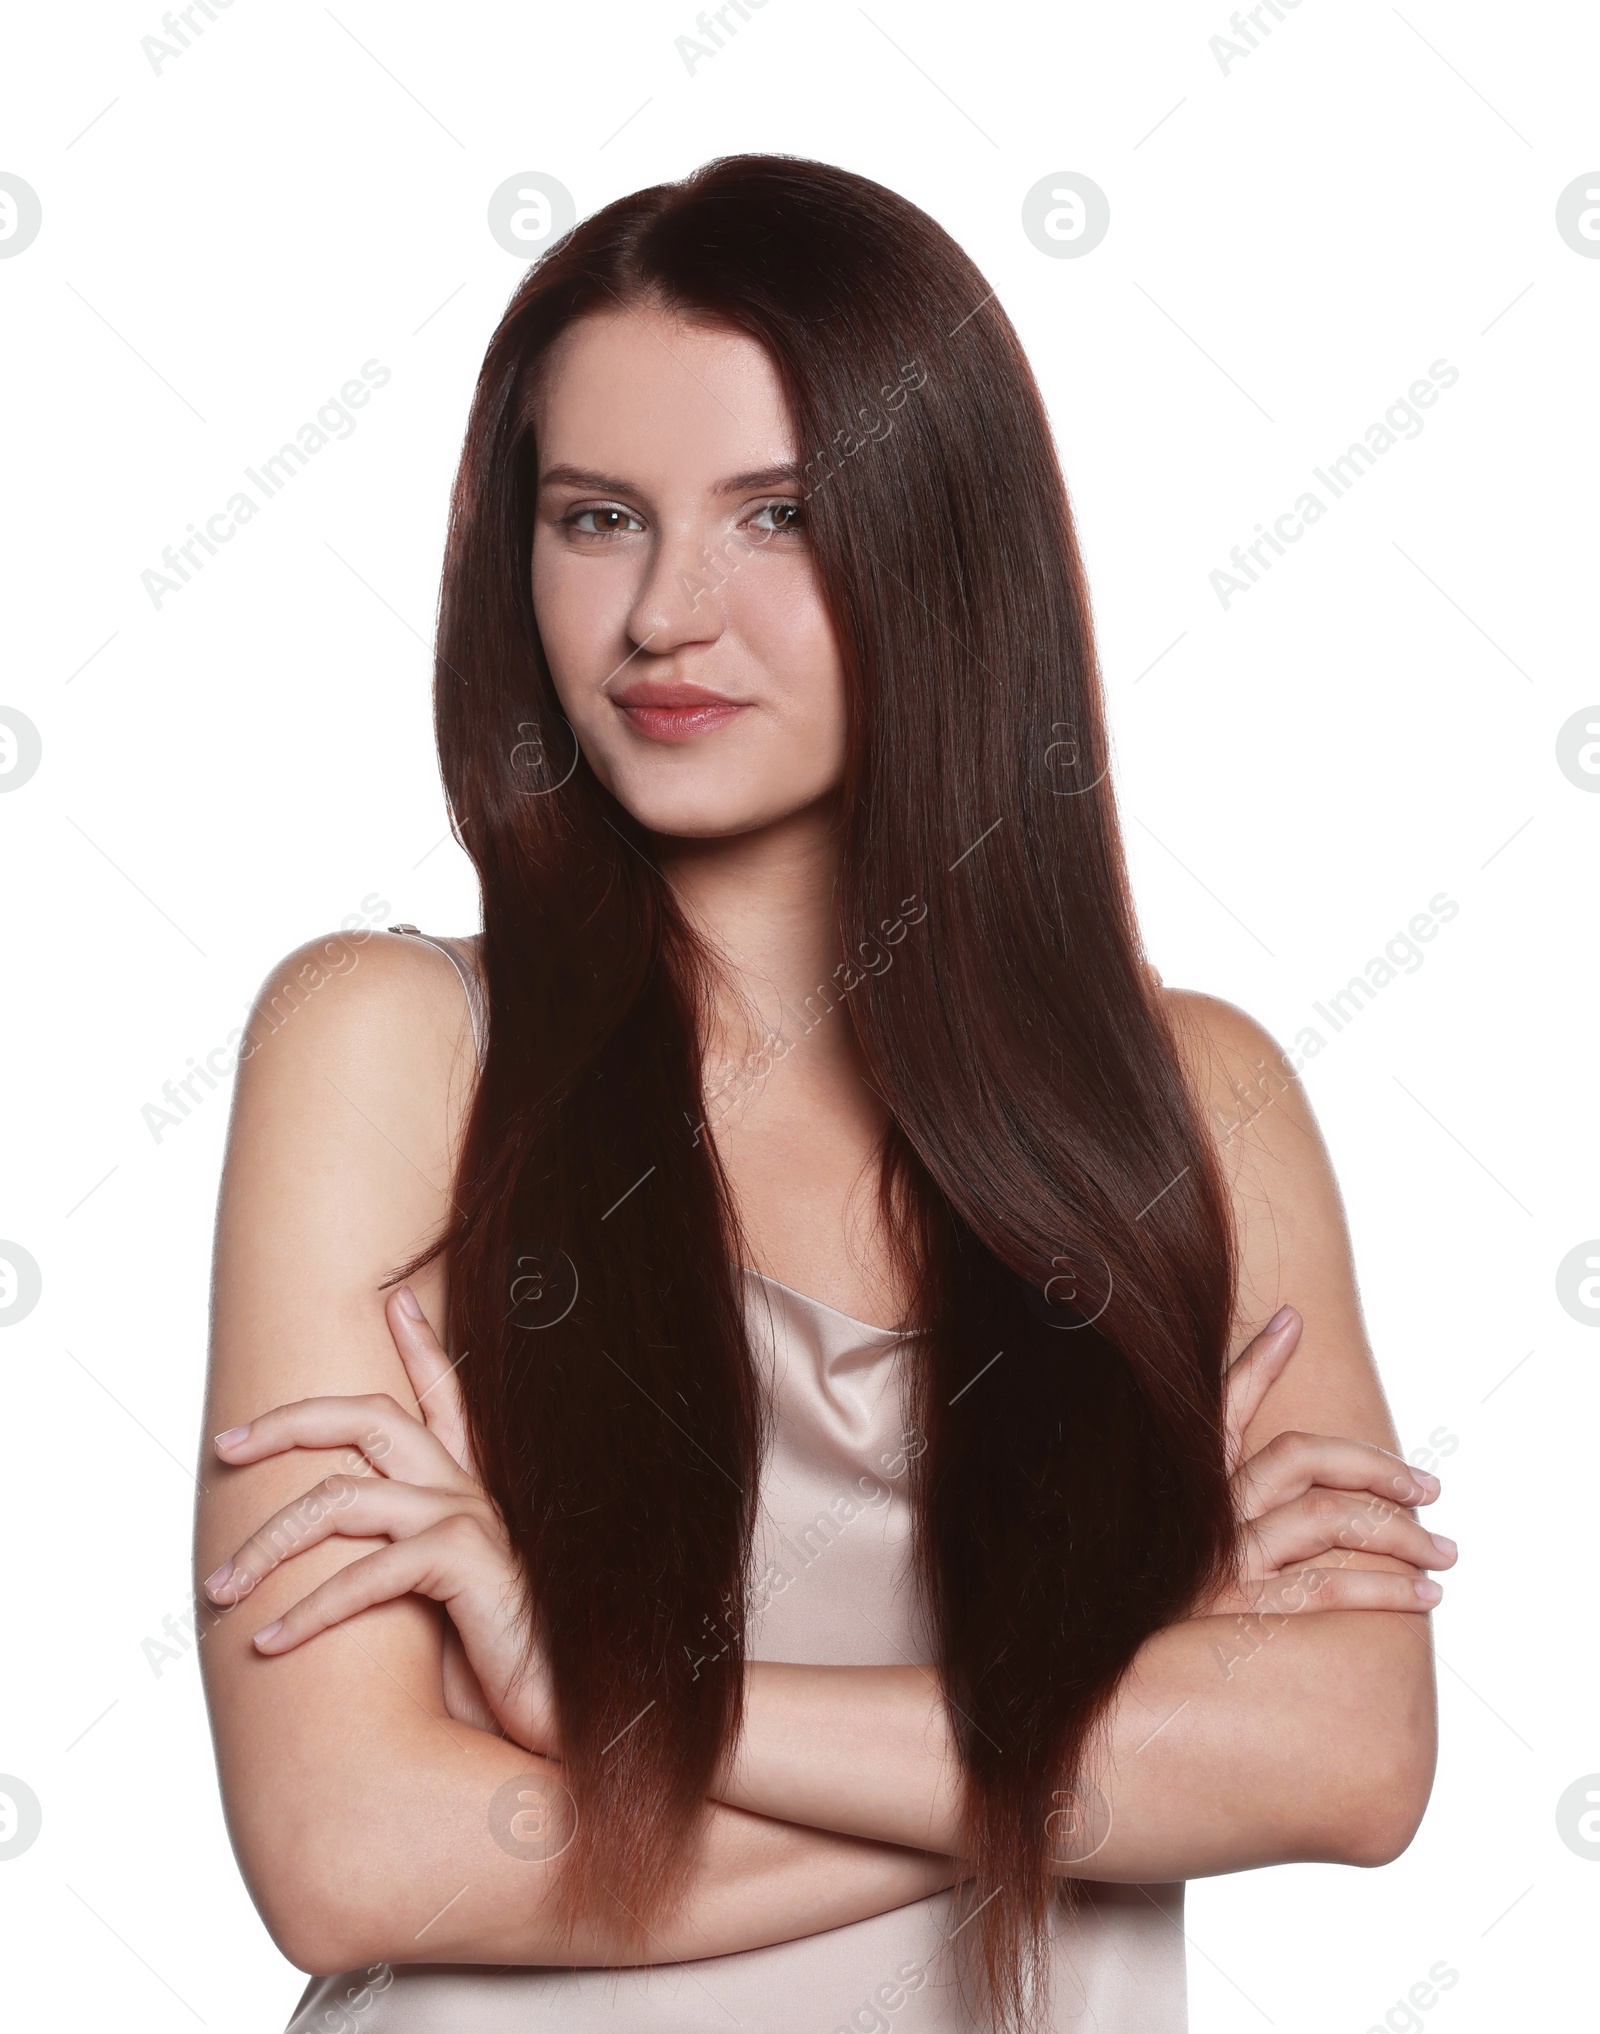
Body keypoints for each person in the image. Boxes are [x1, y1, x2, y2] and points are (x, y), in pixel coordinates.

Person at [195, 156, 1453, 2033]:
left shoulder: (1193, 1107)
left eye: (777, 515)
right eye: (596, 517)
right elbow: (351, 1854)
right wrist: (1114, 1744)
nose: (662, 617)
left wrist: (607, 1721)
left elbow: (1353, 1758)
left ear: (945, 549)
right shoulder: (385, 1046)